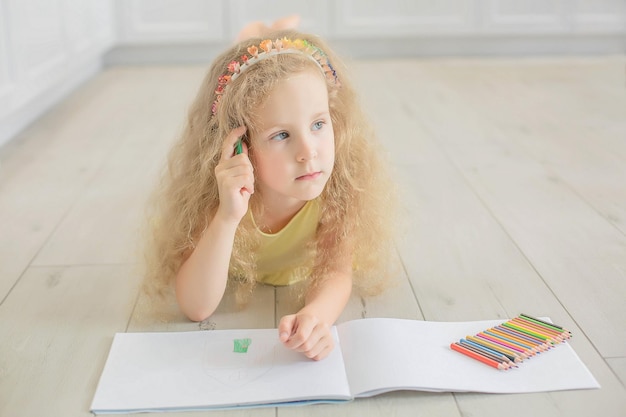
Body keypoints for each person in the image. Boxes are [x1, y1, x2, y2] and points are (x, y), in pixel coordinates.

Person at [143, 29, 398, 361]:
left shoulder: (338, 187)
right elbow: (196, 307)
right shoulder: (221, 199)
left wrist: (316, 316)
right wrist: (227, 216)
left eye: (319, 125)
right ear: (239, 146)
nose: (308, 152)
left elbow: (336, 271)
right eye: (281, 134)